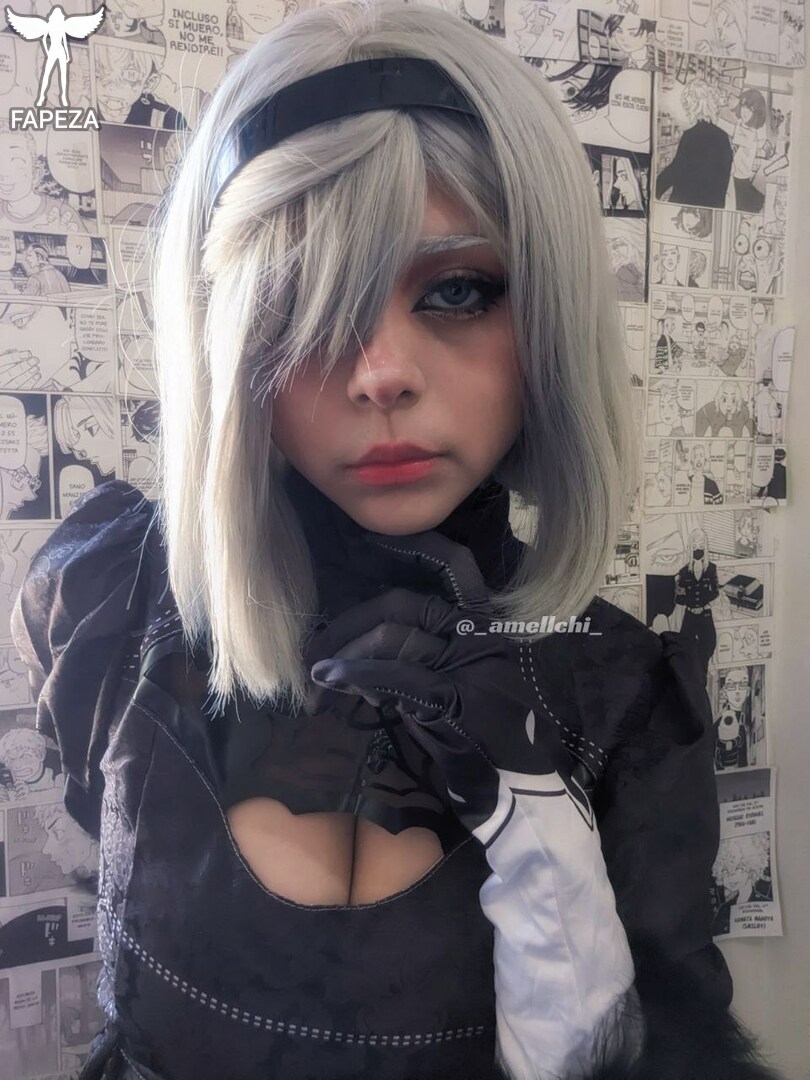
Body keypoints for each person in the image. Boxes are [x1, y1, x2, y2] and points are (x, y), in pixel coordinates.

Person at [9, 2, 782, 1078]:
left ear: (547, 316)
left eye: (458, 290)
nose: (380, 374)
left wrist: (547, 846)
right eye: (303, 299)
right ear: (225, 339)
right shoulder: (113, 598)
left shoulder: (619, 701)